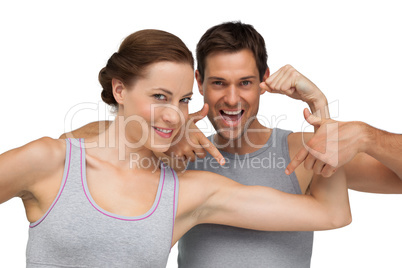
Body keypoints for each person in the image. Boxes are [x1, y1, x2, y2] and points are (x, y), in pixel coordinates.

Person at [0, 29, 351, 267]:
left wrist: (319, 107)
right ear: (120, 91)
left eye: (183, 100)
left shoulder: (187, 190)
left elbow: (333, 214)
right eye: (159, 97)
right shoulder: (50, 160)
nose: (173, 115)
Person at [64, 22, 402, 267]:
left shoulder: (303, 151)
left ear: (263, 81)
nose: (231, 98)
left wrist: (364, 135)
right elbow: (72, 142)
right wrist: (171, 132)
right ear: (198, 82)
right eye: (218, 83)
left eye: (245, 83)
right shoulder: (178, 153)